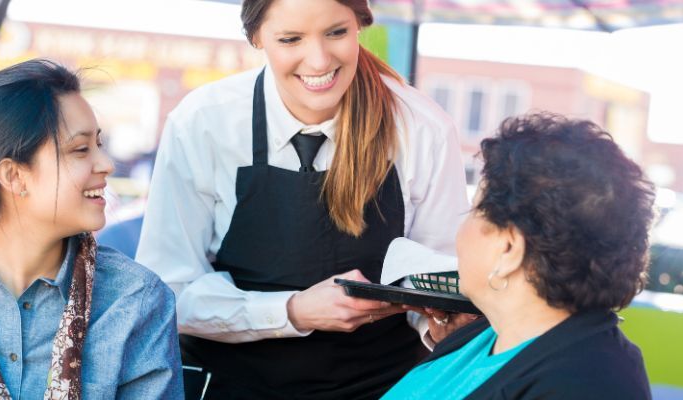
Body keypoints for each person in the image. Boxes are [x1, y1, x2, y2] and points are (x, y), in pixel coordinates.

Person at [135, 0, 468, 398]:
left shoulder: (421, 128)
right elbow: (168, 292)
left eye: (336, 33)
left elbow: (439, 278)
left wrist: (441, 321)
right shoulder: (203, 123)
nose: (318, 60)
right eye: (291, 39)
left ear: (360, 23)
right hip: (228, 384)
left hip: (380, 386)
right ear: (256, 37)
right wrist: (292, 311)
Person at [0, 59, 183, 399]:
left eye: (98, 145)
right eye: (81, 149)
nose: (106, 164)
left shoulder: (136, 299)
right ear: (14, 176)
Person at [383, 113, 654, 399]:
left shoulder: (587, 386)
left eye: (474, 211)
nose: (459, 233)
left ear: (509, 249)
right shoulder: (488, 334)